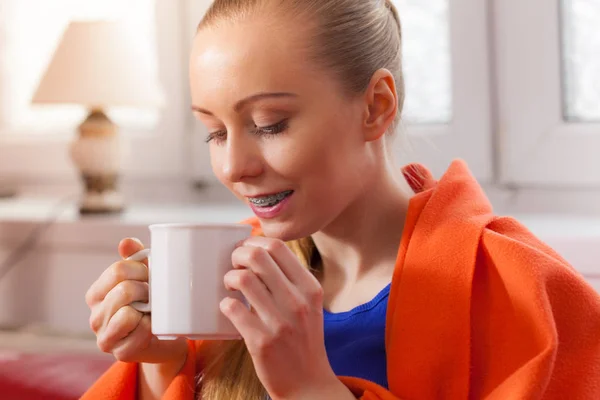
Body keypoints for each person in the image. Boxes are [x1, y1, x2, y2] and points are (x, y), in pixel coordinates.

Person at [81, 0, 600, 399]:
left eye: (269, 124)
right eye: (214, 132)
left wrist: (312, 389)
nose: (234, 167)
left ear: (375, 106)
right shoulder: (223, 288)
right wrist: (159, 365)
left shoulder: (525, 291)